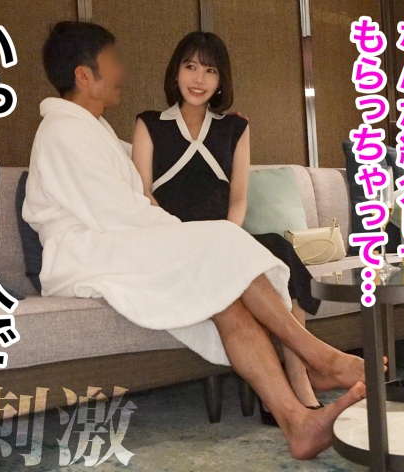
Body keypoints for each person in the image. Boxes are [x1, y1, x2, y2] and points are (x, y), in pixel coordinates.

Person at [23, 21, 385, 460]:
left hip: (113, 244)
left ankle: (297, 421)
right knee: (220, 241)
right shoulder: (63, 131)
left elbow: (133, 189)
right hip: (84, 254)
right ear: (84, 74)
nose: (122, 71)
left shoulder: (92, 130)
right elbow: (115, 211)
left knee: (225, 294)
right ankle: (317, 357)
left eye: (210, 70)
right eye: (113, 61)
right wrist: (184, 235)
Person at [130, 32, 324, 425]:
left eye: (210, 70)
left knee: (278, 249)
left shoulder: (235, 128)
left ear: (221, 80)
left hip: (225, 239)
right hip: (175, 241)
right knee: (259, 255)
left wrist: (228, 237)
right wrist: (187, 238)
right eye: (190, 67)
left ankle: (297, 375)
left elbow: (238, 199)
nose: (198, 78)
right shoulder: (149, 124)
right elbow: (142, 193)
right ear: (175, 73)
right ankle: (297, 378)